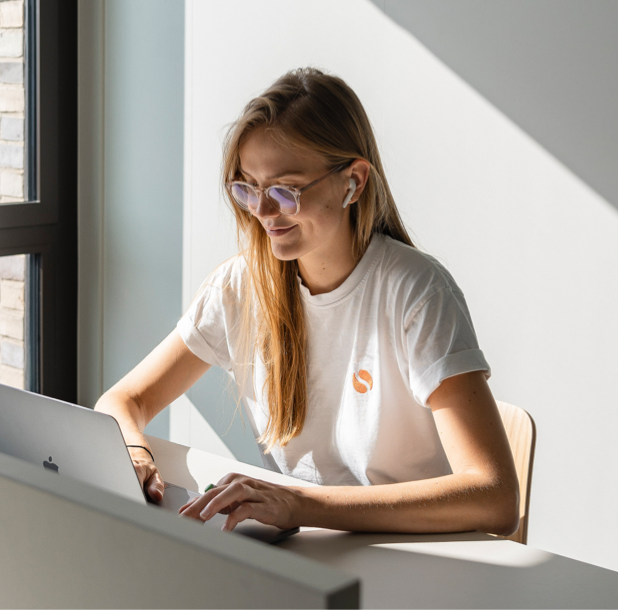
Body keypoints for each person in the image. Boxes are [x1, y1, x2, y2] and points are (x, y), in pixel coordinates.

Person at [95, 68, 520, 534]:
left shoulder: (417, 293)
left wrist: (299, 504)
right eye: (248, 188)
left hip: (413, 556)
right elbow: (123, 400)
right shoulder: (240, 287)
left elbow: (492, 494)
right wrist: (135, 454)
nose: (262, 211)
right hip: (311, 555)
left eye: (285, 190)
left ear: (353, 182)